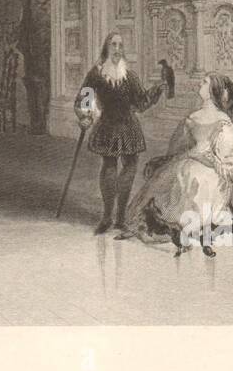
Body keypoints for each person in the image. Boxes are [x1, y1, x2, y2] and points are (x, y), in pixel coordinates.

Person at [119, 73, 233, 257]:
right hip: (189, 160)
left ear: (213, 90)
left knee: (194, 178)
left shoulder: (222, 120)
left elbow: (227, 155)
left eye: (205, 82)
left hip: (211, 168)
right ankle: (166, 226)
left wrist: (210, 159)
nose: (200, 84)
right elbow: (179, 145)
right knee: (170, 176)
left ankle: (191, 231)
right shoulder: (193, 117)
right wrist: (182, 156)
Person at [74, 32, 173, 234]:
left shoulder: (130, 75)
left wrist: (158, 88)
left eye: (120, 45)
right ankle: (107, 217)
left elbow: (141, 102)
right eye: (113, 45)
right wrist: (85, 116)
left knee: (129, 166)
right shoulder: (96, 74)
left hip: (129, 127)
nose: (117, 49)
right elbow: (83, 101)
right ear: (106, 48)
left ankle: (119, 218)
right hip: (108, 126)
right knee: (109, 165)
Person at [16, 0, 52, 134]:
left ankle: (41, 121)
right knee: (30, 82)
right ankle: (34, 121)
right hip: (30, 46)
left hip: (42, 47)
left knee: (41, 83)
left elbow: (45, 23)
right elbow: (26, 21)